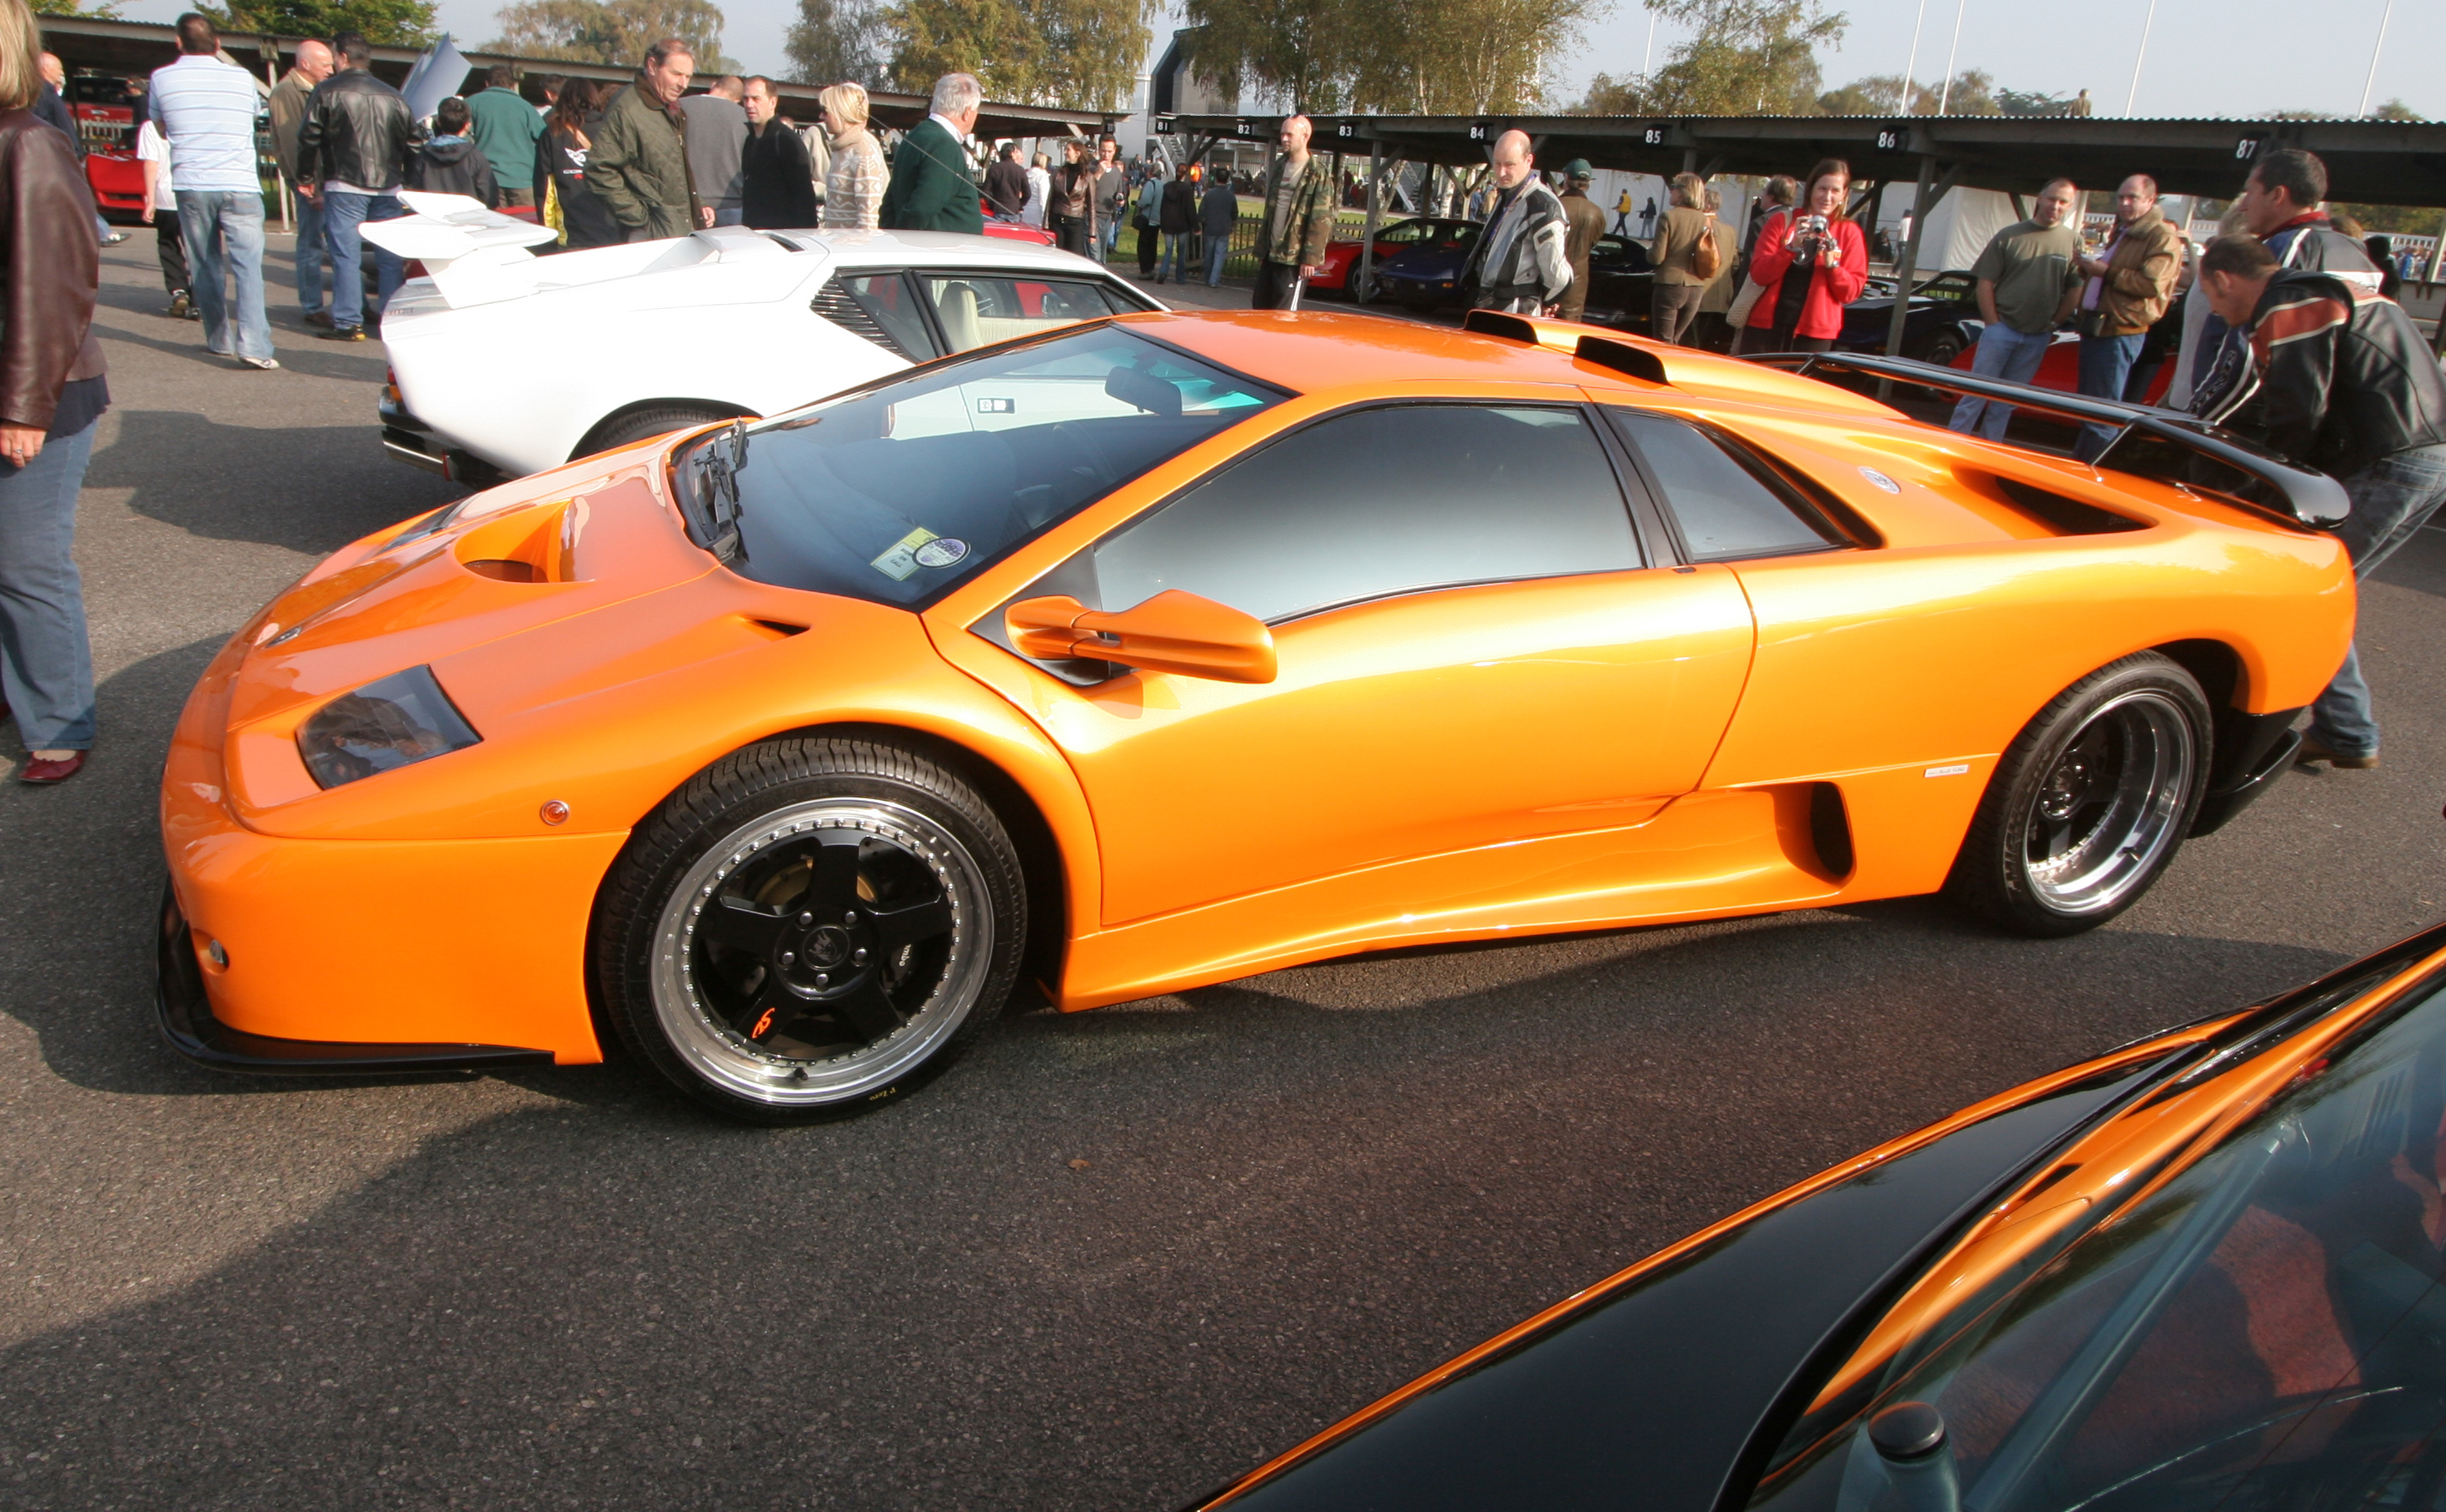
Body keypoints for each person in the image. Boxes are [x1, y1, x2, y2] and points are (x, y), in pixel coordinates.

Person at [2191, 233, 2446, 771]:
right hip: (2419, 449)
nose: (2218, 312)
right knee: (2326, 592)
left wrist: (2269, 484)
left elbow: (2296, 409)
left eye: (2212, 299)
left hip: (2392, 455)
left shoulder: (2286, 303)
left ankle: (2335, 730)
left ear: (2222, 279)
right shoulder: (2323, 289)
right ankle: (2345, 729)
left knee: (2308, 595)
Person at [1, 0, 111, 783]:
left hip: (37, 389)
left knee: (26, 559)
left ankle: (62, 718)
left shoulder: (29, 143)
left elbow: (53, 287)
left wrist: (21, 407)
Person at [149, 12, 276, 369]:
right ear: (218, 43)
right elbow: (252, 116)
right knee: (249, 266)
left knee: (205, 263)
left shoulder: (161, 78)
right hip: (241, 183)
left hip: (193, 182)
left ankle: (218, 338)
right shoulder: (241, 78)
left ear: (178, 42)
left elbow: (160, 127)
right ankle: (255, 346)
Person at [296, 31, 420, 341]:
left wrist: (306, 178)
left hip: (344, 182)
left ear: (341, 57)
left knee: (345, 254)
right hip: (389, 185)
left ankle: (349, 322)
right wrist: (410, 182)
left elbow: (308, 136)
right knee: (389, 257)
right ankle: (392, 320)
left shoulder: (327, 90)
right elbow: (414, 143)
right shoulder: (394, 95)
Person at [1947, 177, 2083, 440]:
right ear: (2040, 198)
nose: (2055, 205)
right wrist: (1993, 323)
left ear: (2070, 206)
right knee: (1975, 392)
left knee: (2007, 401)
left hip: (2038, 335)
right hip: (2002, 329)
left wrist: (2054, 324)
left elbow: (2075, 289)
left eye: (2063, 201)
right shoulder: (2009, 235)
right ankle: (1952, 443)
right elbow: (1985, 282)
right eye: (2051, 198)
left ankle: (1990, 451)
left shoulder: (2073, 241)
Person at [2066, 174, 2181, 458]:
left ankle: (2095, 478)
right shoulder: (2124, 231)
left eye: (2132, 197)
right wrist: (2087, 267)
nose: (2124, 203)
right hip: (2098, 328)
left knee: (2102, 415)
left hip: (2119, 331)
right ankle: (2081, 470)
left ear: (2150, 200)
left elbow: (2151, 284)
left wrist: (2104, 271)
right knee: (2090, 409)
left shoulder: (2160, 235)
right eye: (2121, 197)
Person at [1738, 158, 1867, 354]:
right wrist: (1790, 248)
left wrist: (1833, 266)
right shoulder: (1781, 222)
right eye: (1822, 189)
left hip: (1814, 334)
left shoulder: (1849, 232)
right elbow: (1759, 275)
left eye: (1835, 191)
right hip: (1766, 328)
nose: (1827, 197)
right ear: (1810, 189)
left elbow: (1849, 294)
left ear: (1844, 194)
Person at [588, 38, 708, 241]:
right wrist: (643, 219)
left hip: (676, 230)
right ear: (652, 66)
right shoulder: (629, 109)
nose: (683, 84)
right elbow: (599, 169)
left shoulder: (670, 109)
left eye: (688, 76)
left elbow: (669, 171)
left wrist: (699, 205)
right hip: (650, 235)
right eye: (676, 74)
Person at [1461, 129, 1572, 316]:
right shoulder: (1508, 196)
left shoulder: (1542, 205)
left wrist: (1547, 301)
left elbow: (1556, 276)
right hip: (1489, 303)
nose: (1501, 172)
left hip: (1516, 310)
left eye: (1509, 165)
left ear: (1528, 161)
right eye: (1497, 164)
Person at [267, 39, 333, 325]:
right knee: (311, 244)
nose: (331, 69)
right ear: (305, 64)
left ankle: (346, 302)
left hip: (323, 180)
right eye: (325, 64)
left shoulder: (314, 89)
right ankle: (312, 306)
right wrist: (310, 187)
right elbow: (295, 144)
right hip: (310, 182)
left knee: (338, 243)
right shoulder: (287, 92)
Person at [878, 72, 982, 234]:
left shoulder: (915, 135)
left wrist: (892, 236)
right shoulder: (943, 144)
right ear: (967, 113)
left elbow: (890, 200)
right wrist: (902, 240)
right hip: (941, 251)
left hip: (921, 246)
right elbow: (922, 207)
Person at [1251, 114, 1334, 310]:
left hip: (1293, 259)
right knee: (1259, 309)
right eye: (1282, 134)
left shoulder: (1317, 172)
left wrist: (1310, 258)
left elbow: (1321, 219)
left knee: (1283, 316)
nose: (1284, 139)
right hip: (1271, 255)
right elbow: (1270, 213)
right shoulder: (1280, 166)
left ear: (1305, 136)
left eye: (1290, 134)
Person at [536, 77, 620, 250]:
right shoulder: (611, 130)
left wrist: (549, 238)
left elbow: (545, 191)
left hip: (572, 236)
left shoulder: (552, 133)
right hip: (613, 233)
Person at [134, 113, 192, 317]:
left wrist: (150, 201)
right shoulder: (191, 119)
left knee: (168, 243)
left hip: (166, 196)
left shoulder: (151, 126)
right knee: (197, 246)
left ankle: (178, 290)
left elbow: (151, 164)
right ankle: (201, 295)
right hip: (193, 190)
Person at [739, 76, 814, 229]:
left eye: (756, 99)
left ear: (772, 102)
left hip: (783, 234)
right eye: (746, 99)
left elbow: (804, 194)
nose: (749, 104)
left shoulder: (786, 141)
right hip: (754, 231)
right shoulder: (750, 140)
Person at [465, 63, 544, 210]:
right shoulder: (526, 107)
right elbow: (544, 139)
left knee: (496, 228)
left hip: (489, 179)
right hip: (524, 179)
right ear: (512, 85)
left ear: (487, 83)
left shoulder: (471, 103)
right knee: (528, 228)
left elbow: (461, 138)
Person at [1648, 171, 1713, 343]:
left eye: (1674, 187)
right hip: (1696, 286)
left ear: (1684, 192)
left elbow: (1657, 257)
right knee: (1676, 341)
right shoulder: (1705, 220)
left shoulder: (1669, 216)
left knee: (1662, 341)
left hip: (1670, 284)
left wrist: (1647, 253)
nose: (1671, 191)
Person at [680, 75, 746, 226]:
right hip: (731, 204)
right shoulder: (744, 117)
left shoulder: (680, 107)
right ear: (737, 99)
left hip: (689, 202)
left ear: (713, 85)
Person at [407, 96, 499, 206]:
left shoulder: (424, 155)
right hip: (470, 218)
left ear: (439, 123)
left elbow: (416, 191)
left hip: (433, 217)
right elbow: (489, 197)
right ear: (467, 126)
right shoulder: (476, 157)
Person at [818, 82, 883, 231]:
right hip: (836, 244)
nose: (821, 116)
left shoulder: (863, 154)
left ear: (841, 112)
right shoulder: (840, 149)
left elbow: (868, 222)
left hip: (852, 248)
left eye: (825, 111)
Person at [1688, 186, 1741, 349]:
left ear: (1707, 205)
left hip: (1698, 293)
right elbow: (1735, 263)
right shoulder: (1730, 231)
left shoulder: (1697, 227)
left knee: (1691, 343)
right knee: (1711, 345)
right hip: (1722, 296)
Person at [1556, 159, 1604, 323]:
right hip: (1577, 291)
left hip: (1548, 286)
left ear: (1566, 178)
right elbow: (1593, 242)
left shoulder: (1554, 205)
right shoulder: (1596, 213)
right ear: (1588, 183)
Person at [1047, 137, 1095, 257]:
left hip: (1076, 222)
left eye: (1068, 150)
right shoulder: (1058, 174)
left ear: (1078, 153)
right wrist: (1046, 225)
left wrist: (1092, 232)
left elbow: (1092, 205)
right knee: (1057, 256)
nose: (1065, 152)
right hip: (1057, 221)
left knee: (1075, 256)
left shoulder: (1087, 177)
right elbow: (1050, 200)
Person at [1156, 161, 1195, 282]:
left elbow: (1163, 207)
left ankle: (1163, 271)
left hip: (1168, 222)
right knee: (1181, 251)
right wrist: (1195, 225)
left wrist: (1162, 221)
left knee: (1168, 249)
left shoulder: (1167, 187)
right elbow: (1190, 208)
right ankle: (1180, 276)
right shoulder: (1187, 189)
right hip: (1182, 223)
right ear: (1185, 174)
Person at [1198, 165, 1236, 286]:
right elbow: (1234, 212)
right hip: (1224, 227)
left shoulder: (1209, 194)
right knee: (1219, 255)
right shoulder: (1230, 195)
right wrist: (1232, 223)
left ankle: (1208, 277)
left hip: (1210, 227)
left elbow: (1202, 210)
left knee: (1208, 254)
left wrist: (1201, 222)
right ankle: (1214, 280)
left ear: (1216, 179)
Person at [1094, 136, 1126, 261]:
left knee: (1102, 255)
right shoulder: (1091, 168)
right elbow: (1085, 190)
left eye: (1109, 151)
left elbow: (1119, 194)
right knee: (1094, 255)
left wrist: (1120, 202)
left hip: (1108, 217)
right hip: (1092, 216)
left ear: (1114, 151)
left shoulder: (1116, 172)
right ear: (1099, 150)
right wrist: (1098, 174)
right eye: (1103, 151)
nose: (1106, 155)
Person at [983, 142, 1026, 220]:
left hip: (999, 208)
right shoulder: (1020, 170)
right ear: (1012, 153)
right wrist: (1019, 205)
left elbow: (985, 190)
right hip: (1014, 209)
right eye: (1015, 152)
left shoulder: (994, 169)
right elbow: (1028, 193)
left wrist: (992, 204)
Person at [1133, 165, 1163, 275]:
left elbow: (1145, 201)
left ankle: (1145, 269)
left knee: (1143, 246)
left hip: (1148, 219)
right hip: (1158, 219)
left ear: (1151, 173)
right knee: (1152, 245)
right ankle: (1151, 267)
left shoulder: (1151, 184)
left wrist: (1138, 203)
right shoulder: (1162, 185)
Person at [1021, 150, 1050, 228]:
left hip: (1026, 211)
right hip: (1038, 214)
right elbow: (1043, 200)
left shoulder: (1026, 175)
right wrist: (1046, 219)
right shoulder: (1043, 177)